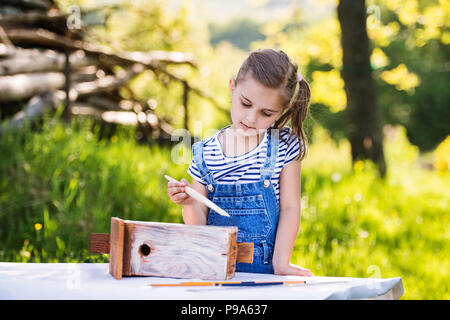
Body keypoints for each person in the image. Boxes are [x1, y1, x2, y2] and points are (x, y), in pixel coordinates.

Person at [167, 48, 313, 276]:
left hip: (264, 276)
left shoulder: (284, 147)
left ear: (281, 111)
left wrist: (281, 264)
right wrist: (188, 202)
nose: (251, 118)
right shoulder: (205, 154)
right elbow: (198, 226)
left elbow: (290, 208)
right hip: (213, 272)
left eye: (266, 113)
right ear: (232, 87)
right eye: (246, 103)